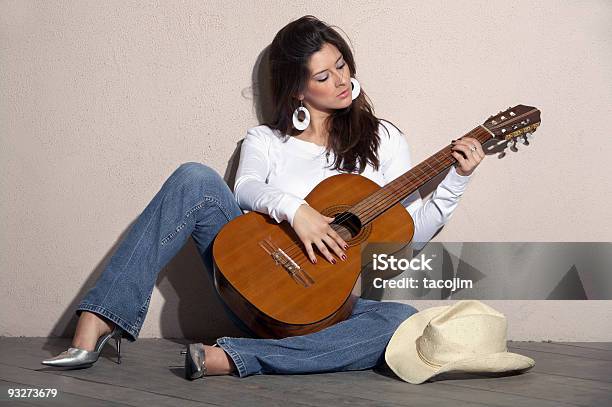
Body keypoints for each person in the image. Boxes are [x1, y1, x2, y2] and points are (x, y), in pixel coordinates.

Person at [41, 15, 484, 379]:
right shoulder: (267, 140)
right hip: (249, 285)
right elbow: (245, 189)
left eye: (343, 66)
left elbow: (409, 234)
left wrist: (456, 180)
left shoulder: (384, 139)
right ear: (297, 89)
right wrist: (299, 211)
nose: (342, 81)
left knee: (399, 322)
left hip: (326, 310)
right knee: (193, 177)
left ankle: (234, 357)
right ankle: (98, 321)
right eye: (324, 76)